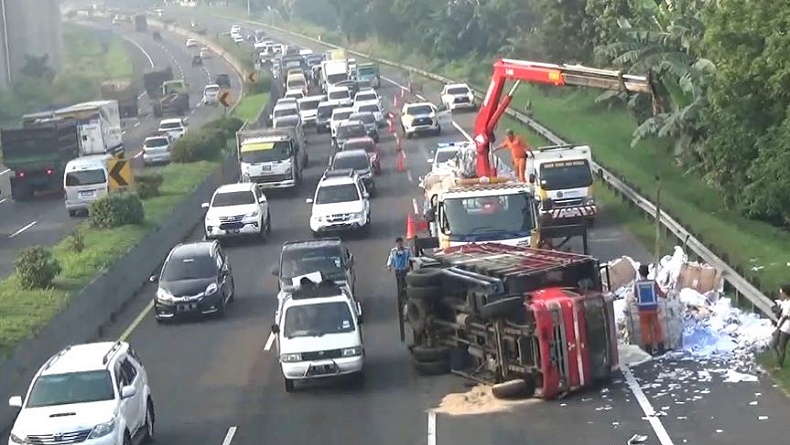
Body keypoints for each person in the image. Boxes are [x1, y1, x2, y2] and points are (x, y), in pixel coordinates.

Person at [634, 264, 666, 355]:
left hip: (642, 310)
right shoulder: (653, 282)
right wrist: (666, 295)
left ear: (640, 273)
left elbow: (635, 295)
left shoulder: (637, 284)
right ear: (648, 273)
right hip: (653, 308)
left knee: (645, 330)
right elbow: (660, 293)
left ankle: (648, 350)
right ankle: (660, 348)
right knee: (657, 328)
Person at [771, 285, 790, 368]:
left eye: (782, 293)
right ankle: (778, 363)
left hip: (786, 327)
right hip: (781, 325)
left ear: (786, 293)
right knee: (773, 345)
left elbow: (785, 316)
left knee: (782, 347)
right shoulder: (785, 302)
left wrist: (778, 327)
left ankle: (779, 365)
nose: (781, 295)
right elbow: (779, 313)